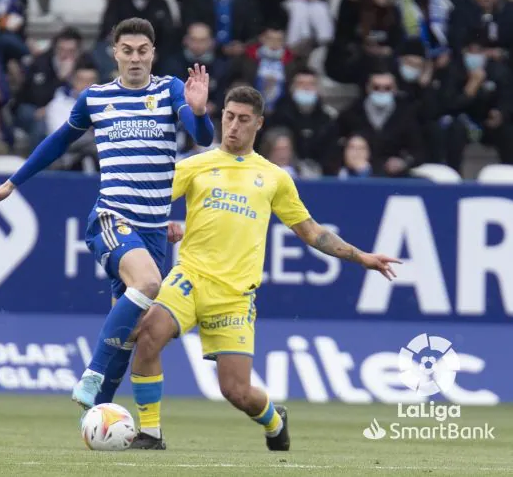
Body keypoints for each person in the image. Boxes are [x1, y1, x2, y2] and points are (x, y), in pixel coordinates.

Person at [125, 86, 401, 450]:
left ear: (258, 123)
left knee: (237, 392)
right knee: (148, 334)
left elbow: (311, 232)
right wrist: (163, 226)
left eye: (242, 119)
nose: (233, 126)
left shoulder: (274, 177)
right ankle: (151, 433)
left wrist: (360, 256)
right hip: (189, 278)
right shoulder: (194, 165)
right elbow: (146, 205)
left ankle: (274, 419)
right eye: (228, 116)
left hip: (235, 297)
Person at [0, 17, 215, 410]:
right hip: (111, 217)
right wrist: (11, 184)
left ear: (152, 54)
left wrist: (201, 112)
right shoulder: (96, 98)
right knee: (150, 283)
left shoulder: (171, 90)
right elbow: (56, 144)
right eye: (127, 51)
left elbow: (202, 137)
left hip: (154, 229)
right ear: (114, 53)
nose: (135, 58)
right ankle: (92, 373)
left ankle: (97, 413)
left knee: (132, 331)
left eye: (142, 51)